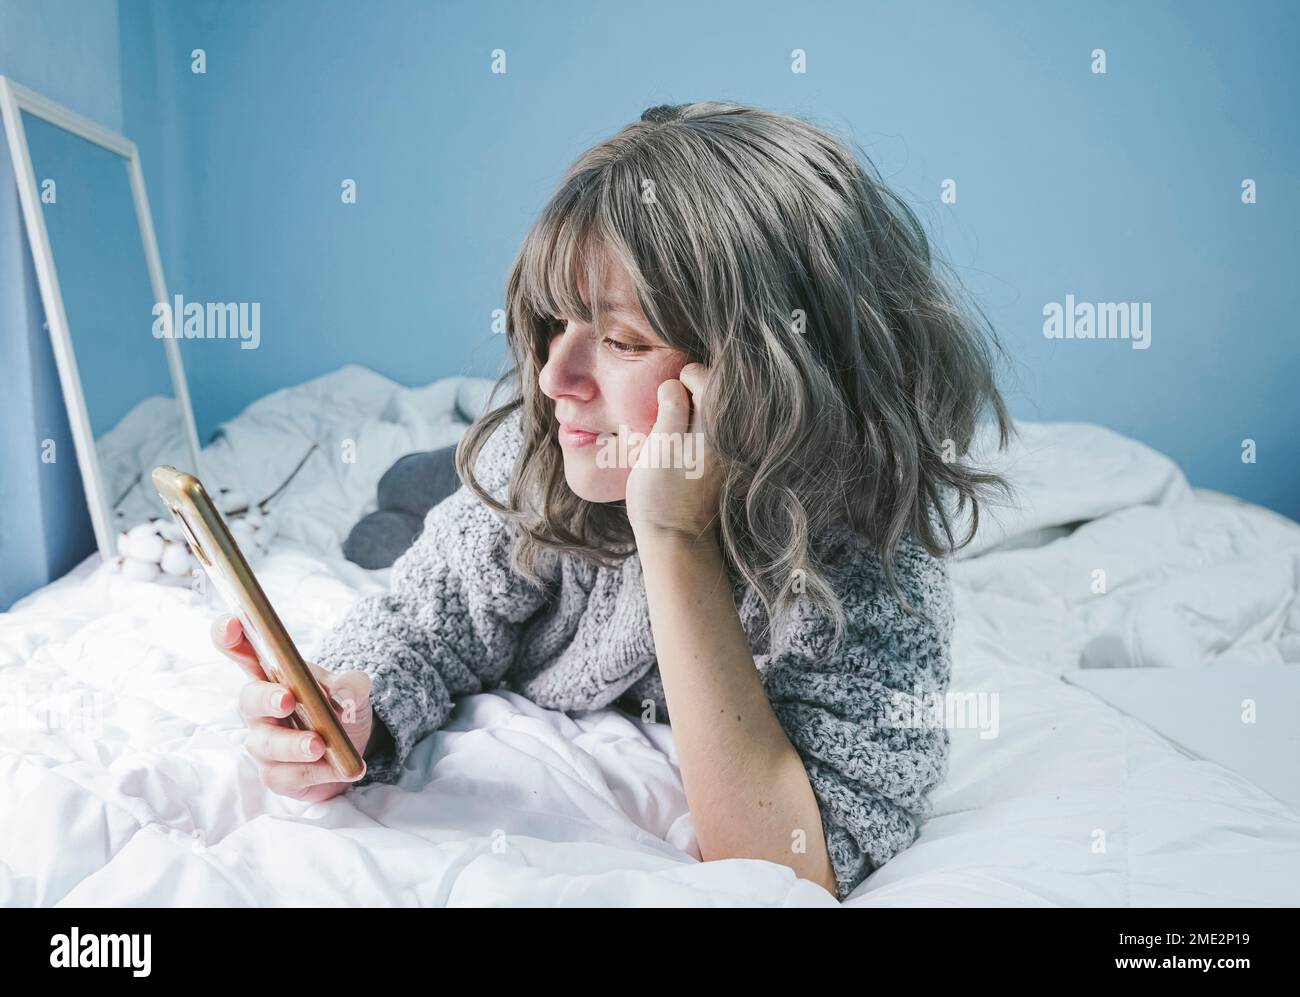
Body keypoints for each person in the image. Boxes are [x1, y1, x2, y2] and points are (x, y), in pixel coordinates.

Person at [211, 100, 1016, 901]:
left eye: (625, 341)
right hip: (502, 481)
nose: (554, 378)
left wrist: (675, 535)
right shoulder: (536, 456)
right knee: (406, 507)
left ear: (782, 374)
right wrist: (354, 712)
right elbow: (425, 623)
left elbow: (791, 861)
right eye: (554, 324)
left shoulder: (875, 582)